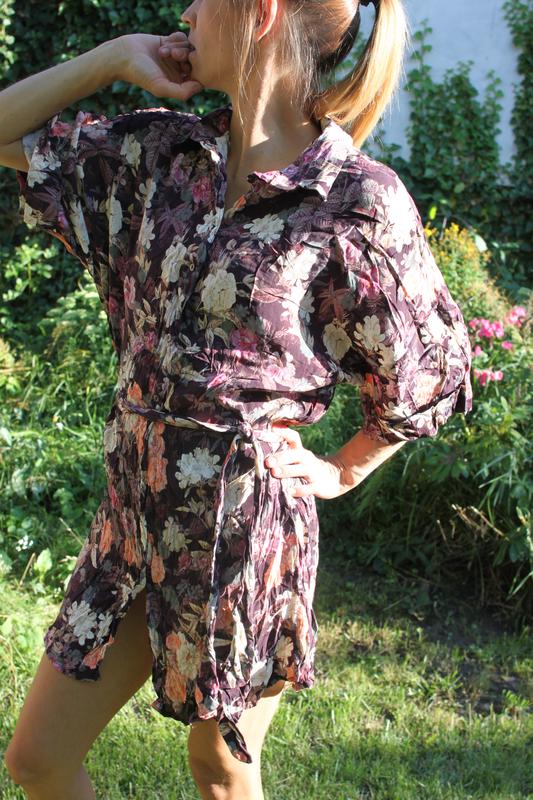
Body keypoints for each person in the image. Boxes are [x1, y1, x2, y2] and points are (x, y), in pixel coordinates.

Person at [1, 0, 473, 796]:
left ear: (259, 14)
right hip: (132, 524)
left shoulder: (354, 201)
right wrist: (112, 56)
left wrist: (344, 469)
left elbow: (428, 370)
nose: (185, 12)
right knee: (37, 759)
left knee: (219, 766)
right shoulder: (161, 154)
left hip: (240, 536)